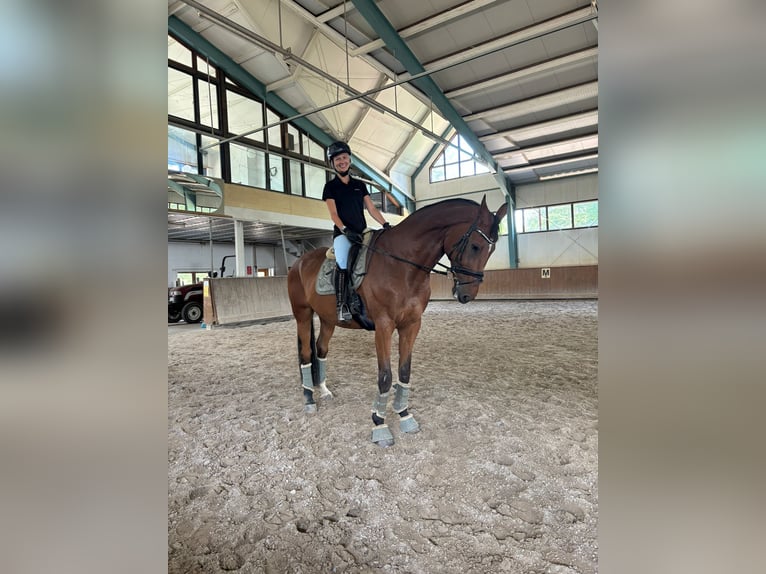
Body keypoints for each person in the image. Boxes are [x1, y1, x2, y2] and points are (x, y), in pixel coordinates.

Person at [322, 141, 390, 322]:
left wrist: (385, 224)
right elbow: (333, 214)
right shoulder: (330, 187)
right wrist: (344, 230)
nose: (341, 161)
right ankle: (342, 304)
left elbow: (372, 209)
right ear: (332, 163)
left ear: (349, 160)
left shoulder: (360, 185)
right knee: (343, 262)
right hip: (343, 234)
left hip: (362, 232)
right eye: (337, 159)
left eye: (344, 158)